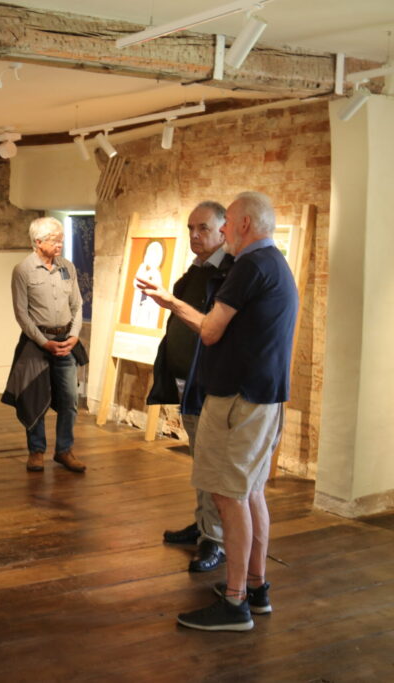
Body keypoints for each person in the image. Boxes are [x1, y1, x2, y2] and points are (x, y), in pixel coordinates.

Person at [137, 191, 298, 631]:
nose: (222, 230)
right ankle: (256, 587)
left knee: (230, 496)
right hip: (262, 397)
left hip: (240, 401)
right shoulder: (274, 262)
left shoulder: (249, 265)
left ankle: (235, 602)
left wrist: (171, 304)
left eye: (226, 224)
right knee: (251, 493)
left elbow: (209, 331)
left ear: (245, 224)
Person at [148, 201, 231, 573]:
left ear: (224, 230)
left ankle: (215, 539)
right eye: (191, 229)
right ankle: (202, 526)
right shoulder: (198, 269)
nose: (195, 236)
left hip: (208, 381)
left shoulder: (227, 273)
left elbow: (214, 328)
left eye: (204, 229)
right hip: (187, 379)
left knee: (212, 464)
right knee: (200, 460)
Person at [2, 217, 86, 474]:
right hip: (37, 343)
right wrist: (44, 342)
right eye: (53, 240)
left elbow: (77, 305)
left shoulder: (67, 268)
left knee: (70, 398)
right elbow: (22, 314)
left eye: (60, 239)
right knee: (33, 398)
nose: (59, 244)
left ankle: (64, 450)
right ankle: (36, 451)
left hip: (66, 342)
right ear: (38, 242)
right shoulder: (23, 270)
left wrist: (73, 335)